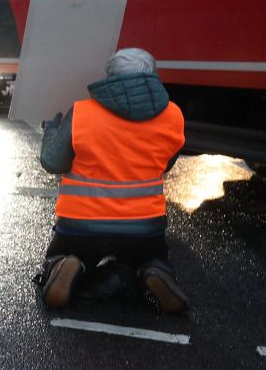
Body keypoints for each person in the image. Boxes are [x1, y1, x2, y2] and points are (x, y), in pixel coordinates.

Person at [36, 48, 189, 313]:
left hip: (81, 225)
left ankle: (64, 264)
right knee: (153, 255)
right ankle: (152, 270)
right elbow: (165, 164)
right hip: (144, 228)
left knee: (61, 253)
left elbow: (52, 162)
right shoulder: (173, 115)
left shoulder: (82, 113)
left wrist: (51, 129)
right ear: (153, 76)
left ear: (110, 77)